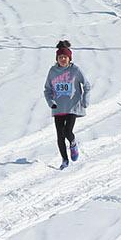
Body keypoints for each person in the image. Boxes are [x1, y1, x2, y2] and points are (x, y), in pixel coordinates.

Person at [43, 40, 90, 168]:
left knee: (68, 131)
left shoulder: (75, 70)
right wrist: (50, 102)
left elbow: (86, 85)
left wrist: (85, 100)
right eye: (60, 57)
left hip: (72, 106)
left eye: (65, 57)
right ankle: (64, 160)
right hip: (58, 107)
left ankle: (73, 143)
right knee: (60, 136)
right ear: (57, 59)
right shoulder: (52, 71)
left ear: (69, 58)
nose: (63, 59)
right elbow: (47, 90)